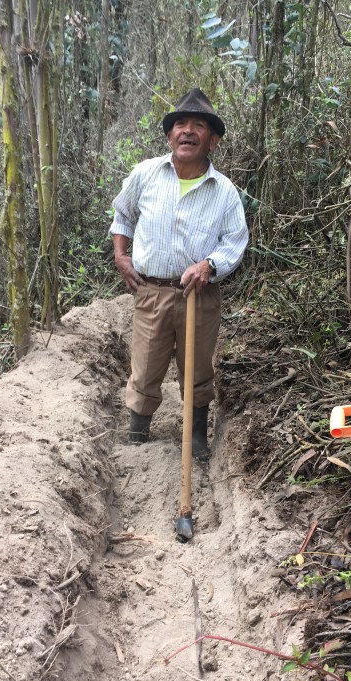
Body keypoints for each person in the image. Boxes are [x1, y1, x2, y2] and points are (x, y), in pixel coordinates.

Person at [110, 88, 248, 460]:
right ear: (170, 136)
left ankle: (197, 440)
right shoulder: (146, 174)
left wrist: (209, 265)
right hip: (151, 291)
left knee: (198, 369)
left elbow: (235, 241)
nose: (188, 131)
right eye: (181, 124)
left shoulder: (224, 192)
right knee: (145, 366)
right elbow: (123, 214)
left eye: (198, 125)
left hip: (199, 296)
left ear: (212, 140)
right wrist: (121, 256)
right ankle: (138, 435)